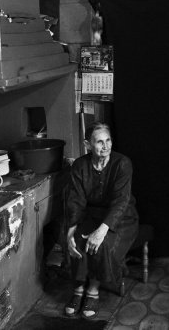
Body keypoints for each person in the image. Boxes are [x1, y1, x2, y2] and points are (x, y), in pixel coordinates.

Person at [64, 122, 139, 319]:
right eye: (99, 142)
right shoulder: (80, 165)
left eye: (108, 140)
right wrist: (70, 232)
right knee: (77, 240)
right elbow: (75, 200)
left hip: (121, 217)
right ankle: (78, 288)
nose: (105, 146)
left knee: (102, 244)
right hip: (91, 214)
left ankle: (93, 290)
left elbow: (121, 201)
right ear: (87, 144)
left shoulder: (122, 163)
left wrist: (101, 231)